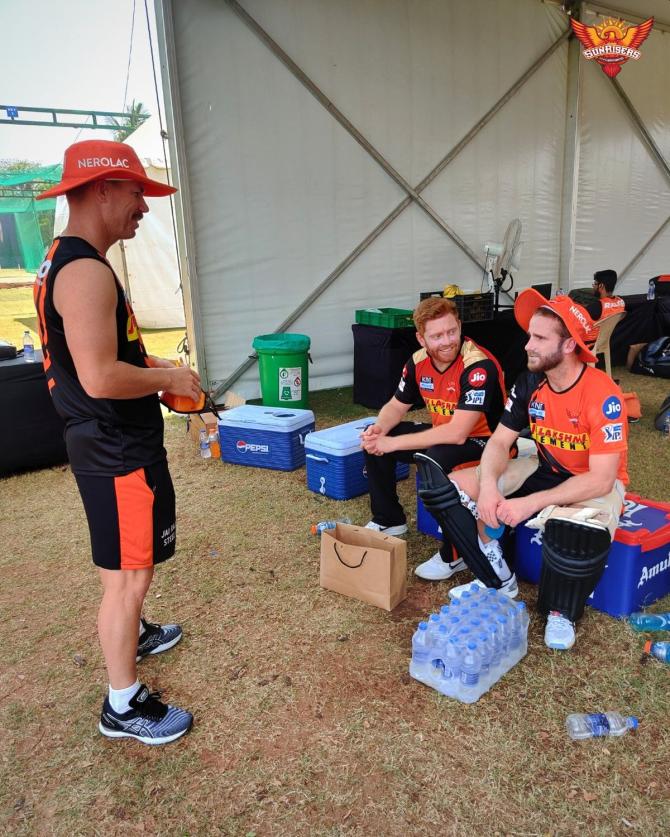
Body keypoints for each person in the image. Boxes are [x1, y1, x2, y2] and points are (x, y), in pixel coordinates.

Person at [34, 140, 201, 744]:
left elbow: (100, 359)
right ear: (102, 187)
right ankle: (123, 705)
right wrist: (168, 378)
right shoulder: (84, 271)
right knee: (129, 575)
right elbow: (101, 378)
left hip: (106, 443)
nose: (144, 209)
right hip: (115, 448)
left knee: (125, 570)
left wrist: (152, 364)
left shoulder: (67, 260)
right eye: (137, 194)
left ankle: (135, 633)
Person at [424, 290, 628, 650]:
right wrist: (488, 487)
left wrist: (529, 503)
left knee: (574, 531)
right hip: (544, 465)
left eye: (539, 338)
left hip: (592, 484)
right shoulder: (530, 382)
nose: (527, 345)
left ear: (568, 346)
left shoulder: (603, 394)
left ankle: (560, 611)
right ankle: (496, 577)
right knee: (450, 486)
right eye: (529, 335)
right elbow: (500, 443)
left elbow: (602, 478)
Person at [360, 296, 513, 585]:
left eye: (451, 331)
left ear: (459, 325)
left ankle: (454, 554)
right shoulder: (418, 362)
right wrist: (379, 430)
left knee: (431, 460)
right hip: (445, 438)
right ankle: (390, 519)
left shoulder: (478, 365)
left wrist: (391, 444)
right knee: (377, 437)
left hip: (487, 443)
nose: (447, 341)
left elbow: (458, 432)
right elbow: (396, 406)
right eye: (437, 335)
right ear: (421, 338)